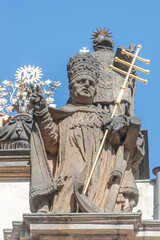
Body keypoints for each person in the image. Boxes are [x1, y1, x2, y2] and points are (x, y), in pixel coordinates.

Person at [29, 52, 144, 214]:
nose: (86, 85)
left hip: (102, 174)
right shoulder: (64, 117)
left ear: (96, 89)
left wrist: (123, 123)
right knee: (70, 186)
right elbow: (51, 145)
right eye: (81, 81)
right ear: (71, 88)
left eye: (91, 83)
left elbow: (127, 145)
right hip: (69, 172)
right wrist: (41, 112)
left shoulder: (105, 118)